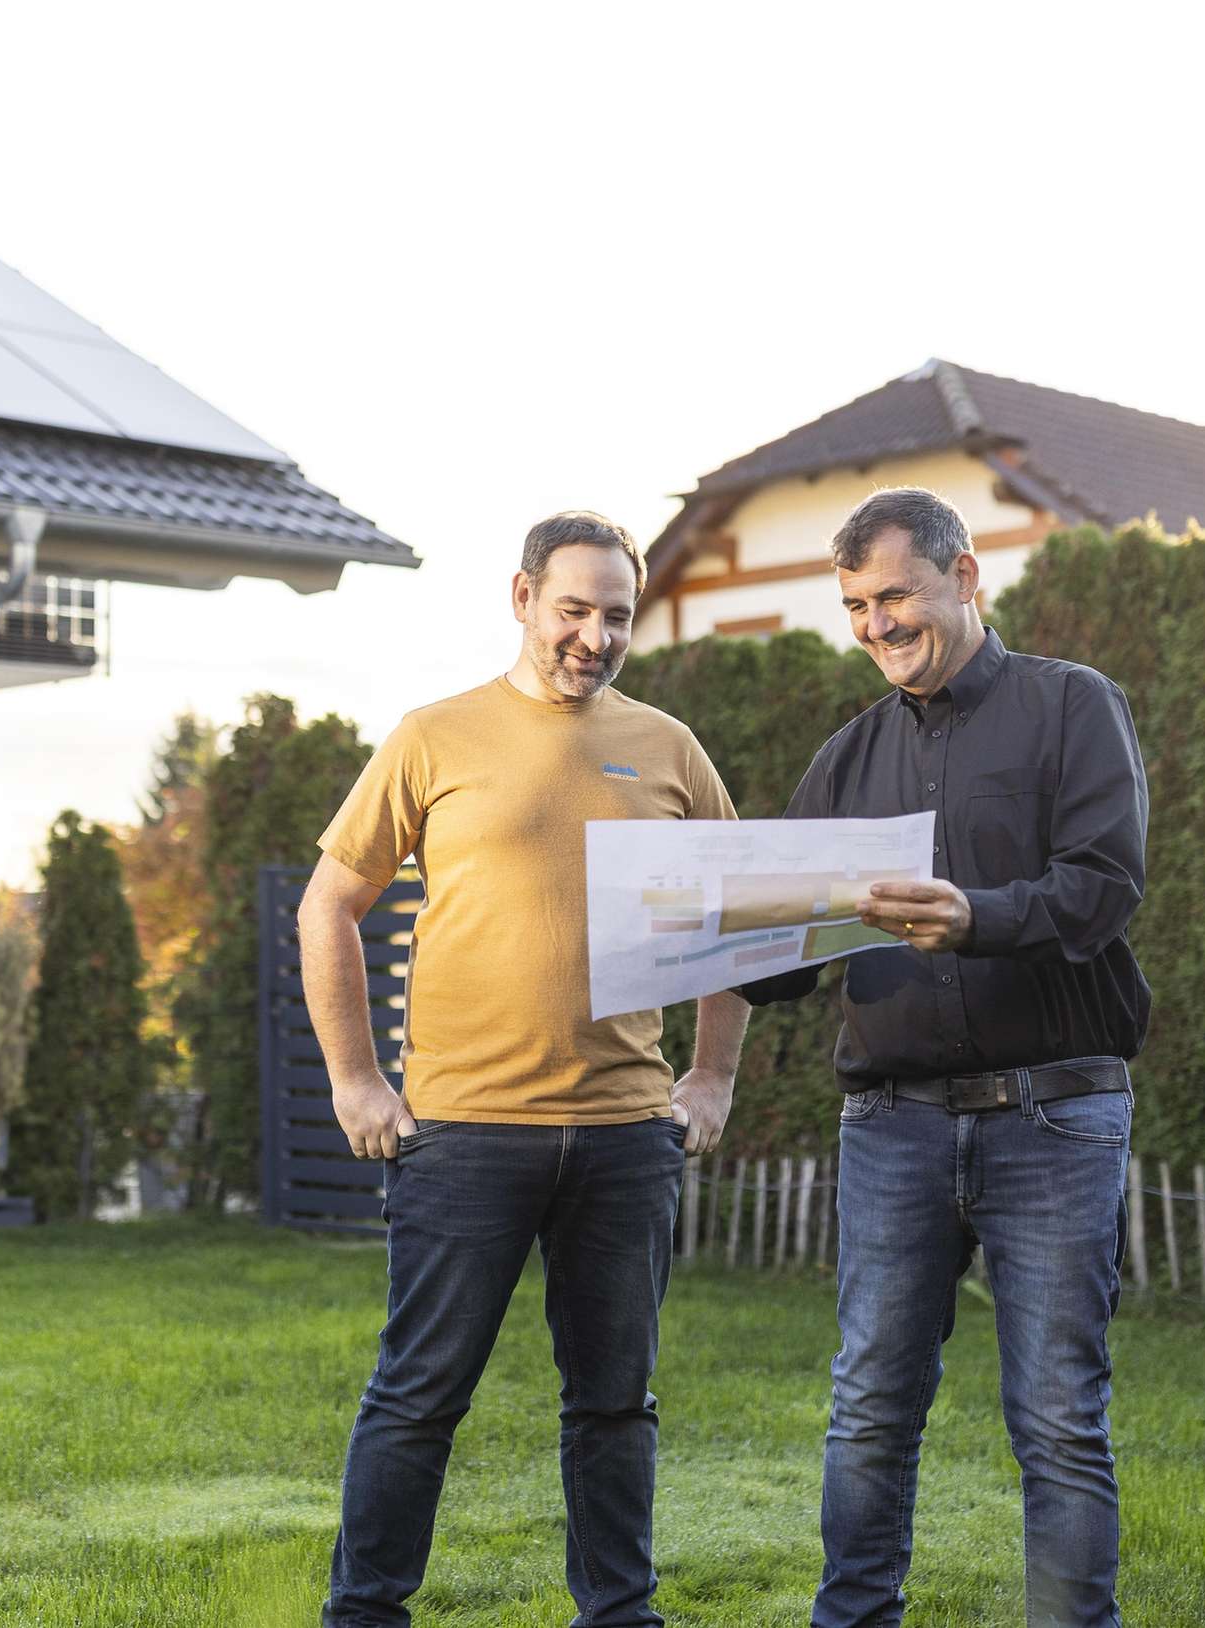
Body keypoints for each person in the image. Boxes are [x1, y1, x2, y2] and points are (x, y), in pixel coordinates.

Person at [303, 510, 749, 1628]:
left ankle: (619, 1612)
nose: (593, 634)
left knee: (614, 1402)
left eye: (615, 615)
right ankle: (364, 1612)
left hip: (622, 1136)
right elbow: (331, 904)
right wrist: (357, 1082)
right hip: (462, 1132)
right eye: (574, 608)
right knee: (418, 1393)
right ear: (521, 598)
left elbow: (738, 918)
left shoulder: (668, 745)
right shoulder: (433, 735)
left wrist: (709, 1079)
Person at [740, 487, 1151, 1628]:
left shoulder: (1073, 706)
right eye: (856, 604)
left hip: (1055, 1117)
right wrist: (692, 936)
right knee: (870, 1406)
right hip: (892, 1128)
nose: (876, 623)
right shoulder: (844, 759)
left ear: (965, 577)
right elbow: (782, 959)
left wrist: (975, 914)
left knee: (1059, 1416)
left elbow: (1104, 886)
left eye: (895, 594)